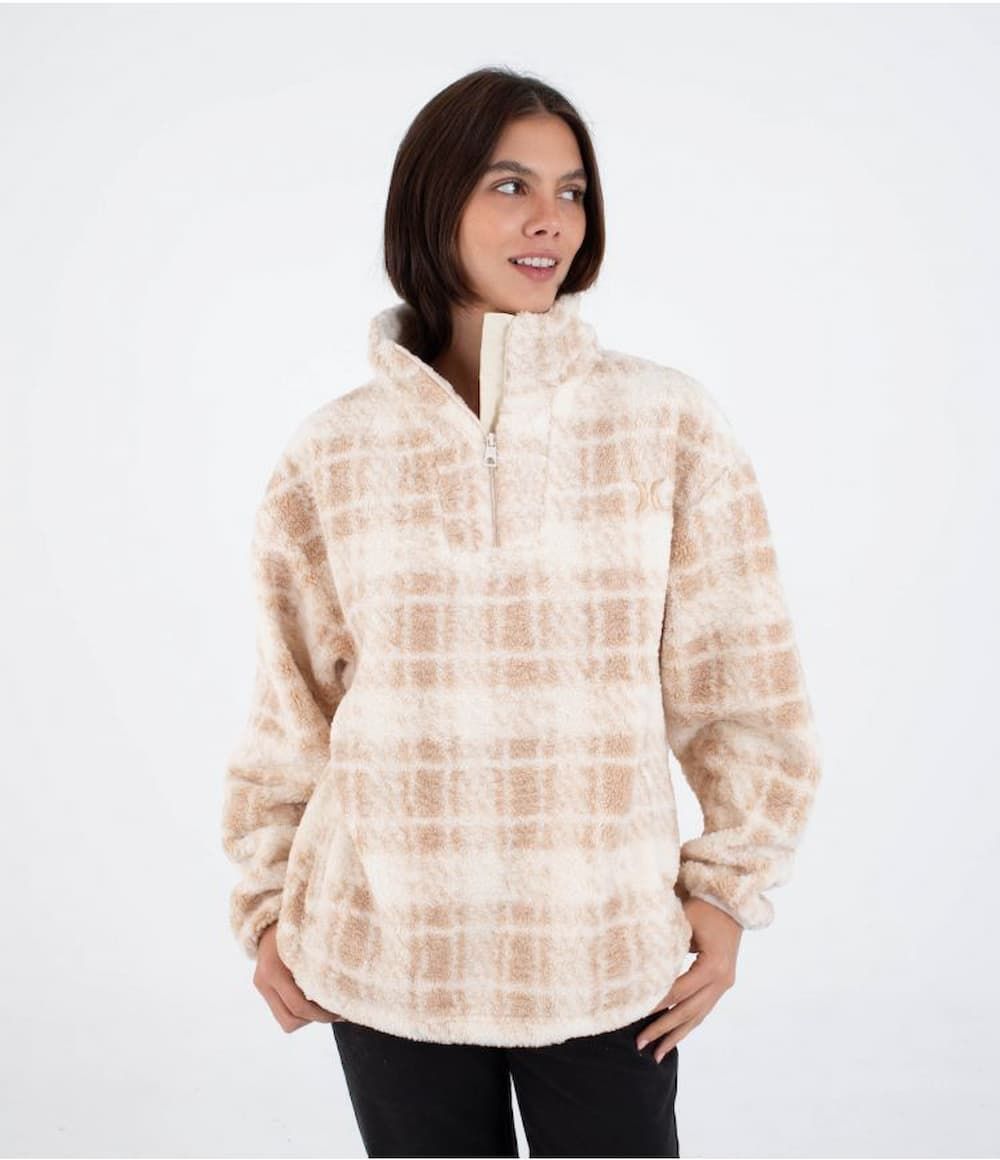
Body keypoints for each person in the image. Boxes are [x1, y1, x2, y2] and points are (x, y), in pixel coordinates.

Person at [221, 66, 822, 1158]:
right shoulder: (333, 452)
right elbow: (289, 710)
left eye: (572, 191)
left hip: (604, 949)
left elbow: (745, 683)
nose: (551, 218)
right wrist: (266, 905)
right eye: (510, 185)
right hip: (386, 951)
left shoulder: (665, 423)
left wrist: (728, 892)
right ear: (431, 201)